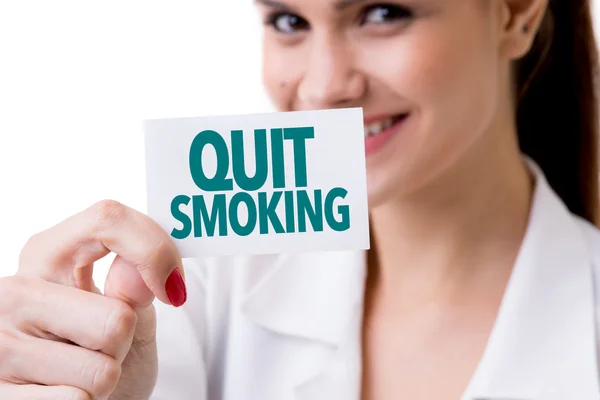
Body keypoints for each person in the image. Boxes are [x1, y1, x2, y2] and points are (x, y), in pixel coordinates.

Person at [0, 0, 599, 398]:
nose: (323, 85)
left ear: (517, 13)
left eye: (382, 12)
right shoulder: (194, 296)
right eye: (290, 21)